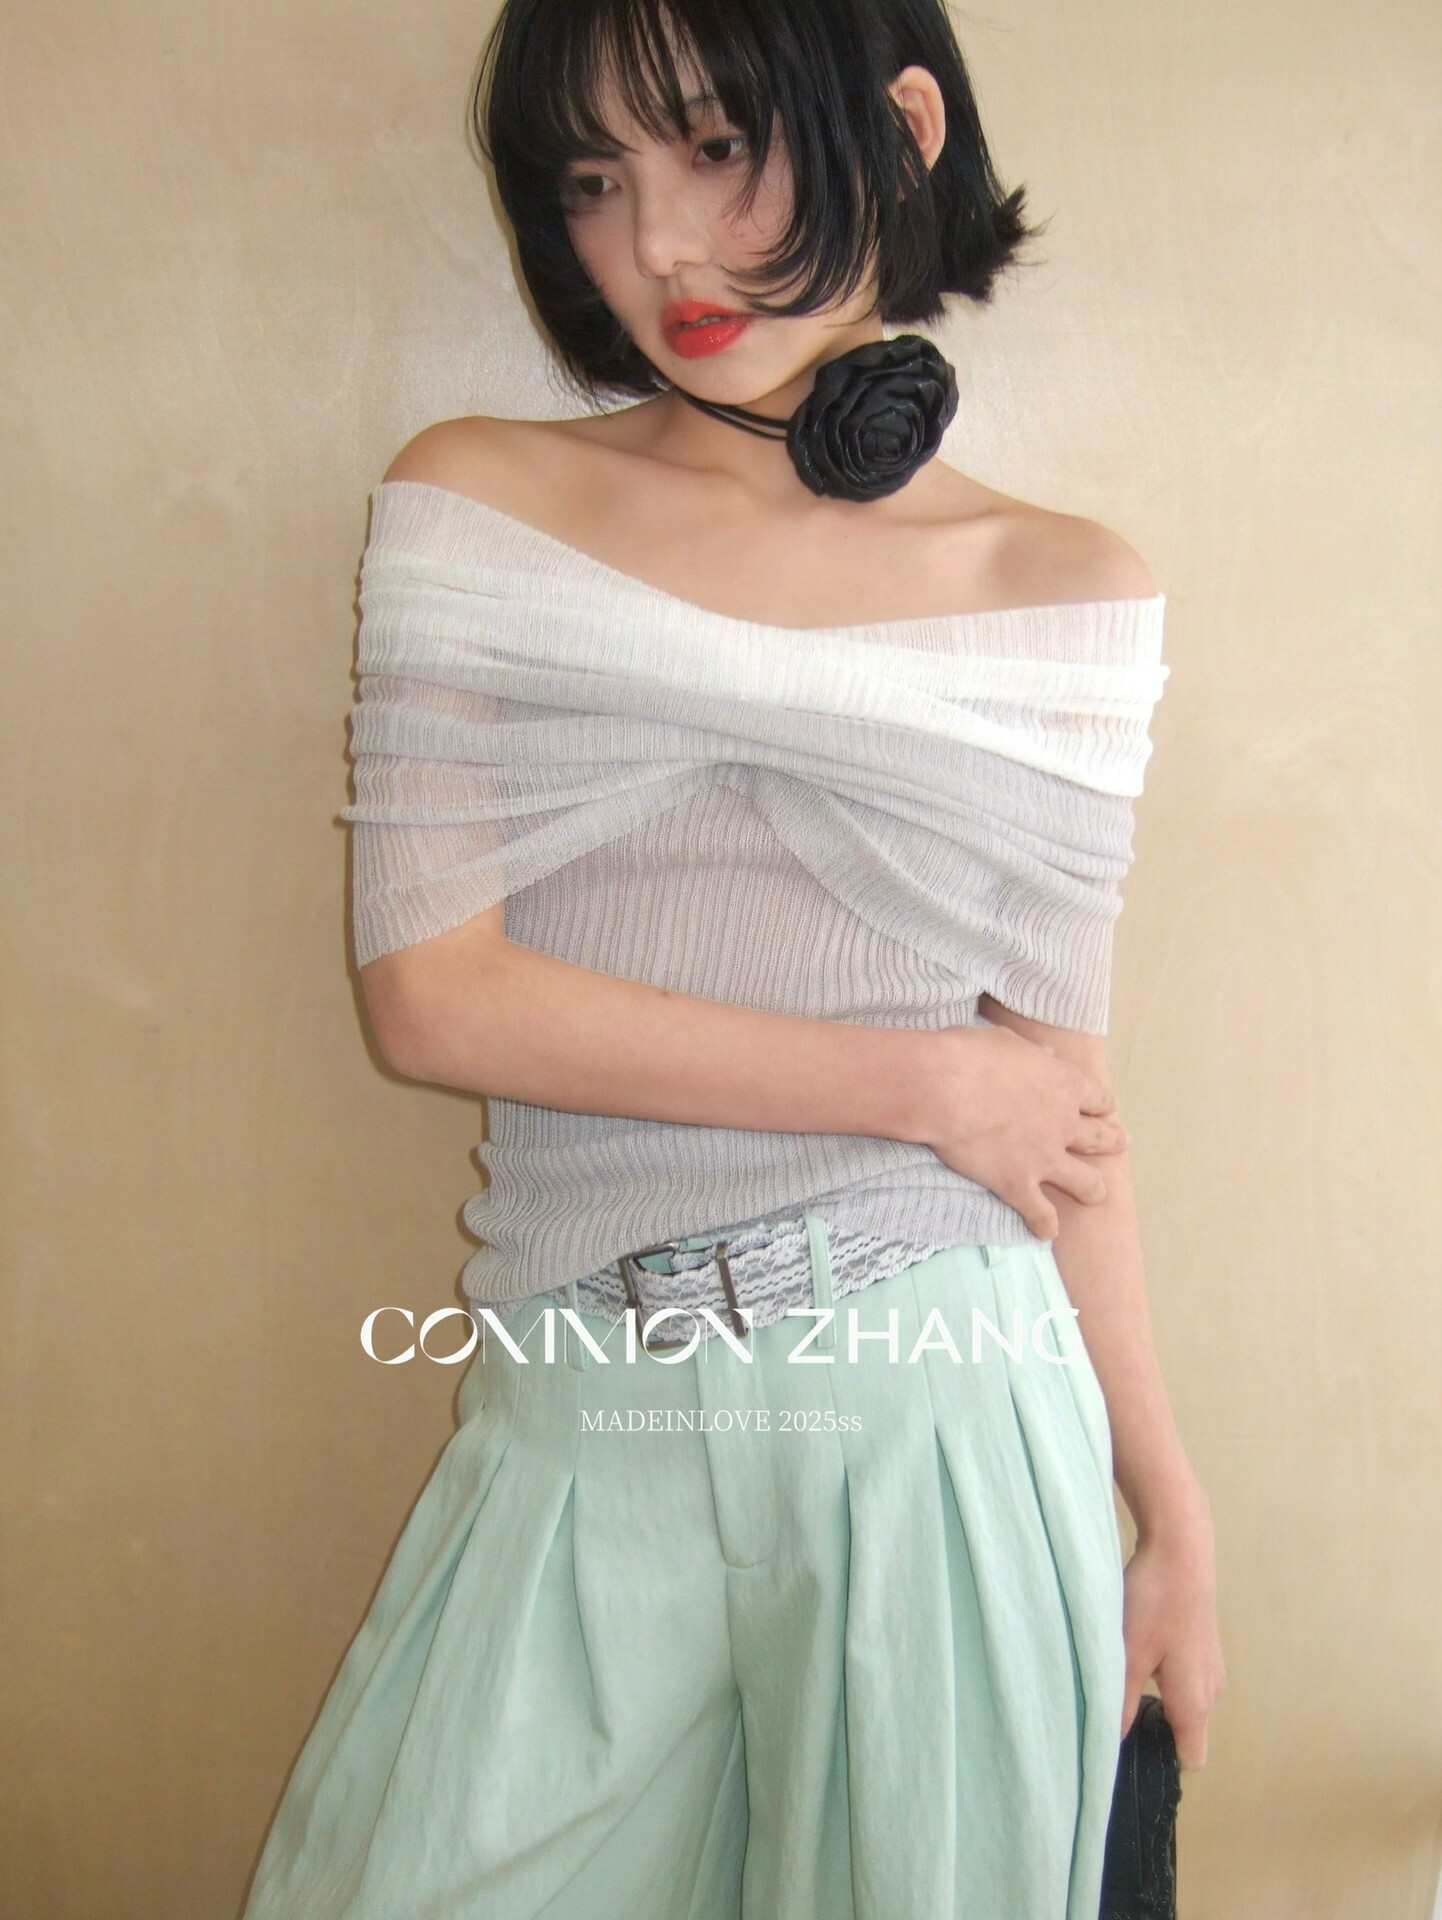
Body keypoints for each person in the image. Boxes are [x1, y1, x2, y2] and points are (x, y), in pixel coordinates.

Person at [241, 1, 1225, 1916]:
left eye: (714, 146)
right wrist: (922, 1083)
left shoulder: (1061, 588)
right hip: (581, 1404)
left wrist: (1169, 1509)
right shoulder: (478, 499)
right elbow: (434, 998)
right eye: (592, 181)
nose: (660, 247)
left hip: (944, 1403)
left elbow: (1062, 1114)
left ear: (903, 127)